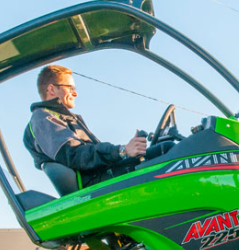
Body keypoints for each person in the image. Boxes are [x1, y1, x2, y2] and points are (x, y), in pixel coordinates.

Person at [24, 65, 170, 188]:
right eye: (70, 87)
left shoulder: (65, 118)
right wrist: (122, 151)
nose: (75, 93)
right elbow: (74, 154)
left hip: (100, 175)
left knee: (165, 148)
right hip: (95, 184)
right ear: (52, 89)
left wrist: (127, 151)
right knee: (166, 150)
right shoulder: (42, 118)